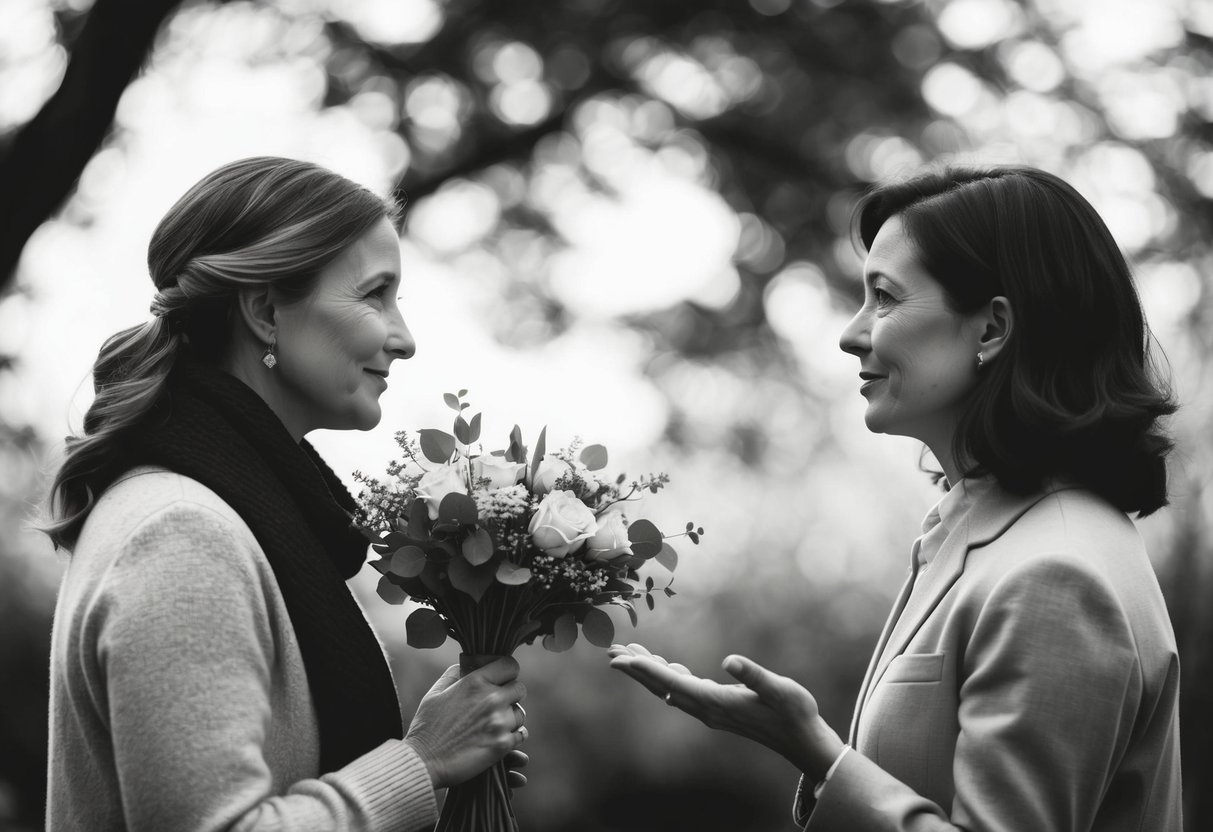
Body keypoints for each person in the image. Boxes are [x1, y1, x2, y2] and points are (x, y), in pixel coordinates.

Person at [608, 166, 1183, 831]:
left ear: (991, 329)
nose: (851, 335)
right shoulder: (990, 535)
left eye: (883, 297)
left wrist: (821, 756)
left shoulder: (1054, 573)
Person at [43, 156, 528, 831]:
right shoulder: (183, 535)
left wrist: (440, 754)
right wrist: (419, 762)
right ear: (266, 311)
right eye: (374, 293)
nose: (404, 338)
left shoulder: (234, 514)